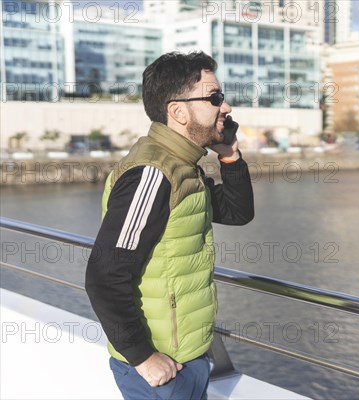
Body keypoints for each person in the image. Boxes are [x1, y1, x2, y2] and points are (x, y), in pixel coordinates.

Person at [85, 51, 254, 400]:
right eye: (215, 98)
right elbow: (104, 275)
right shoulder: (153, 173)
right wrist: (143, 357)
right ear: (178, 111)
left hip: (189, 356)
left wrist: (230, 155)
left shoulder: (183, 167)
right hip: (161, 368)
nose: (226, 107)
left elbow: (237, 212)